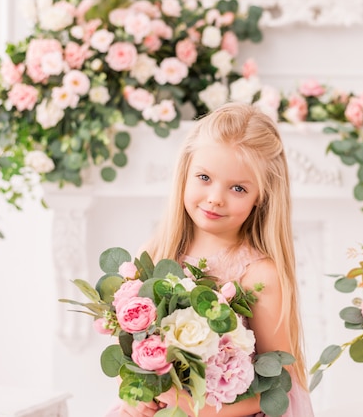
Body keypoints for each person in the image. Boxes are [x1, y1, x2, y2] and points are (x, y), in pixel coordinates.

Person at [115, 102, 314, 417]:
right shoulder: (154, 254)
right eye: (204, 177)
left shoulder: (258, 276)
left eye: (238, 188)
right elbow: (131, 357)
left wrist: (188, 407)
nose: (215, 197)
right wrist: (138, 396)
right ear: (186, 172)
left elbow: (281, 388)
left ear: (260, 197)